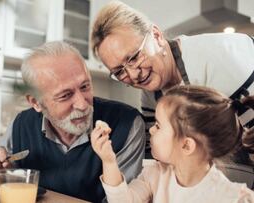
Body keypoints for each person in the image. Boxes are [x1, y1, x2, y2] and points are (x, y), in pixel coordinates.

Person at [0, 41, 146, 202]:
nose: (82, 104)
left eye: (85, 86)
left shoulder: (127, 124)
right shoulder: (22, 124)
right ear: (36, 102)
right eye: (65, 95)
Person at [90, 0, 254, 163]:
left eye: (134, 57)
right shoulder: (151, 95)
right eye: (119, 71)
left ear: (156, 35)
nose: (133, 75)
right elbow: (157, 151)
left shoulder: (220, 61)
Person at [91, 85, 254, 203]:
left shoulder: (234, 198)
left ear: (186, 146)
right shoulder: (154, 174)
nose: (152, 131)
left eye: (158, 125)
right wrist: (109, 160)